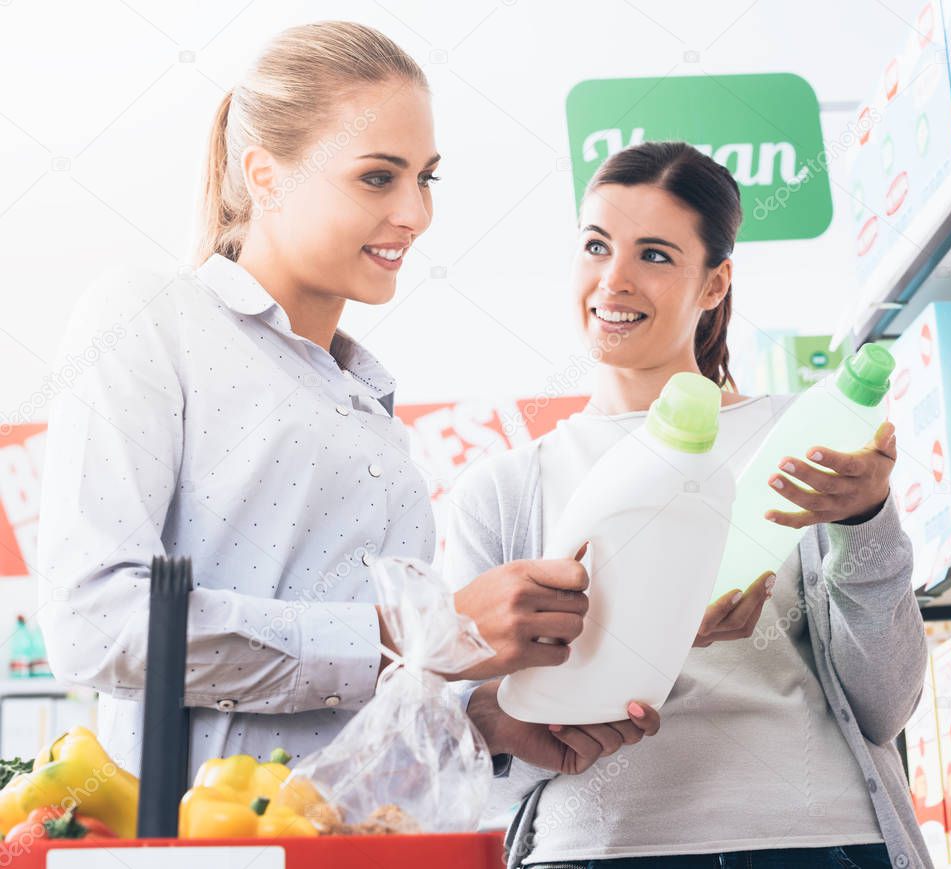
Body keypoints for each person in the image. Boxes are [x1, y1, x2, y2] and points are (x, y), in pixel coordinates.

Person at [35, 20, 661, 780]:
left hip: (372, 836)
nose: (415, 213)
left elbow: (358, 708)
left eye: (426, 177)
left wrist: (485, 720)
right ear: (264, 175)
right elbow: (96, 626)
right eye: (378, 177)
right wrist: (423, 630)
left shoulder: (366, 403)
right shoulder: (151, 317)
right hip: (222, 845)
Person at [445, 142, 928, 869]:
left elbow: (883, 704)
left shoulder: (803, 447)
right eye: (596, 245)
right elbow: (486, 749)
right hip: (598, 848)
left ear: (714, 283)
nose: (614, 279)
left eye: (656, 256)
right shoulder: (504, 492)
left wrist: (866, 522)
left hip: (813, 839)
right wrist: (638, 643)